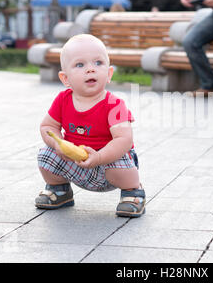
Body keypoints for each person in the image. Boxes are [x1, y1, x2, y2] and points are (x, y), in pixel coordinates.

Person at [35, 34, 146, 218]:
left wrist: (100, 156)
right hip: (75, 163)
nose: (90, 70)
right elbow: (47, 126)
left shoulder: (114, 104)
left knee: (121, 162)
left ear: (109, 74)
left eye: (98, 63)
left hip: (108, 165)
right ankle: (60, 190)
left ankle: (132, 192)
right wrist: (58, 144)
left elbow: (124, 140)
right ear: (65, 78)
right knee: (46, 155)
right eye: (80, 65)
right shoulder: (63, 100)